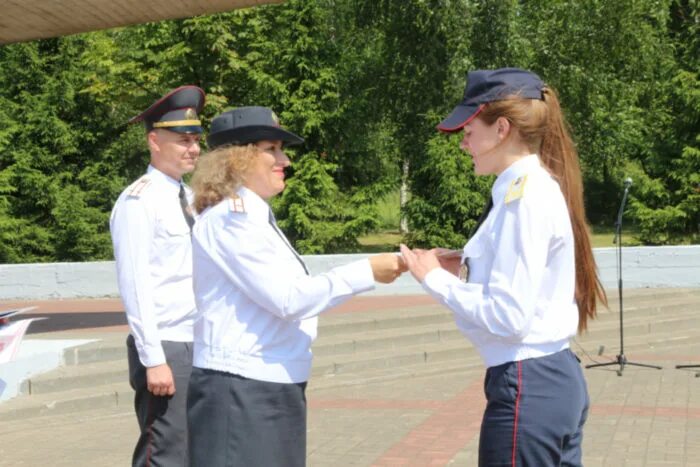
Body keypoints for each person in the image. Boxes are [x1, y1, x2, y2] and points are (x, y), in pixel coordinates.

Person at [399, 68, 607, 466]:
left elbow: (508, 315)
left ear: (502, 129)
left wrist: (436, 279)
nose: (464, 144)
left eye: (469, 131)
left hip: (528, 384)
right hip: (548, 380)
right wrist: (465, 262)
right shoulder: (530, 189)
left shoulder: (522, 198)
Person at [186, 106, 406, 467]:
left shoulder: (250, 217)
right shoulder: (232, 220)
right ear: (237, 159)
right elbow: (288, 299)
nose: (284, 160)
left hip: (264, 384)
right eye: (271, 149)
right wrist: (367, 271)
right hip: (241, 389)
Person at [110, 85, 204, 467]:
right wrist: (153, 358)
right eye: (182, 140)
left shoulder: (192, 198)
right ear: (154, 140)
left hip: (196, 341)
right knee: (163, 453)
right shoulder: (139, 201)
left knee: (194, 451)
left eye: (196, 139)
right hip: (165, 345)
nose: (193, 148)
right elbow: (135, 285)